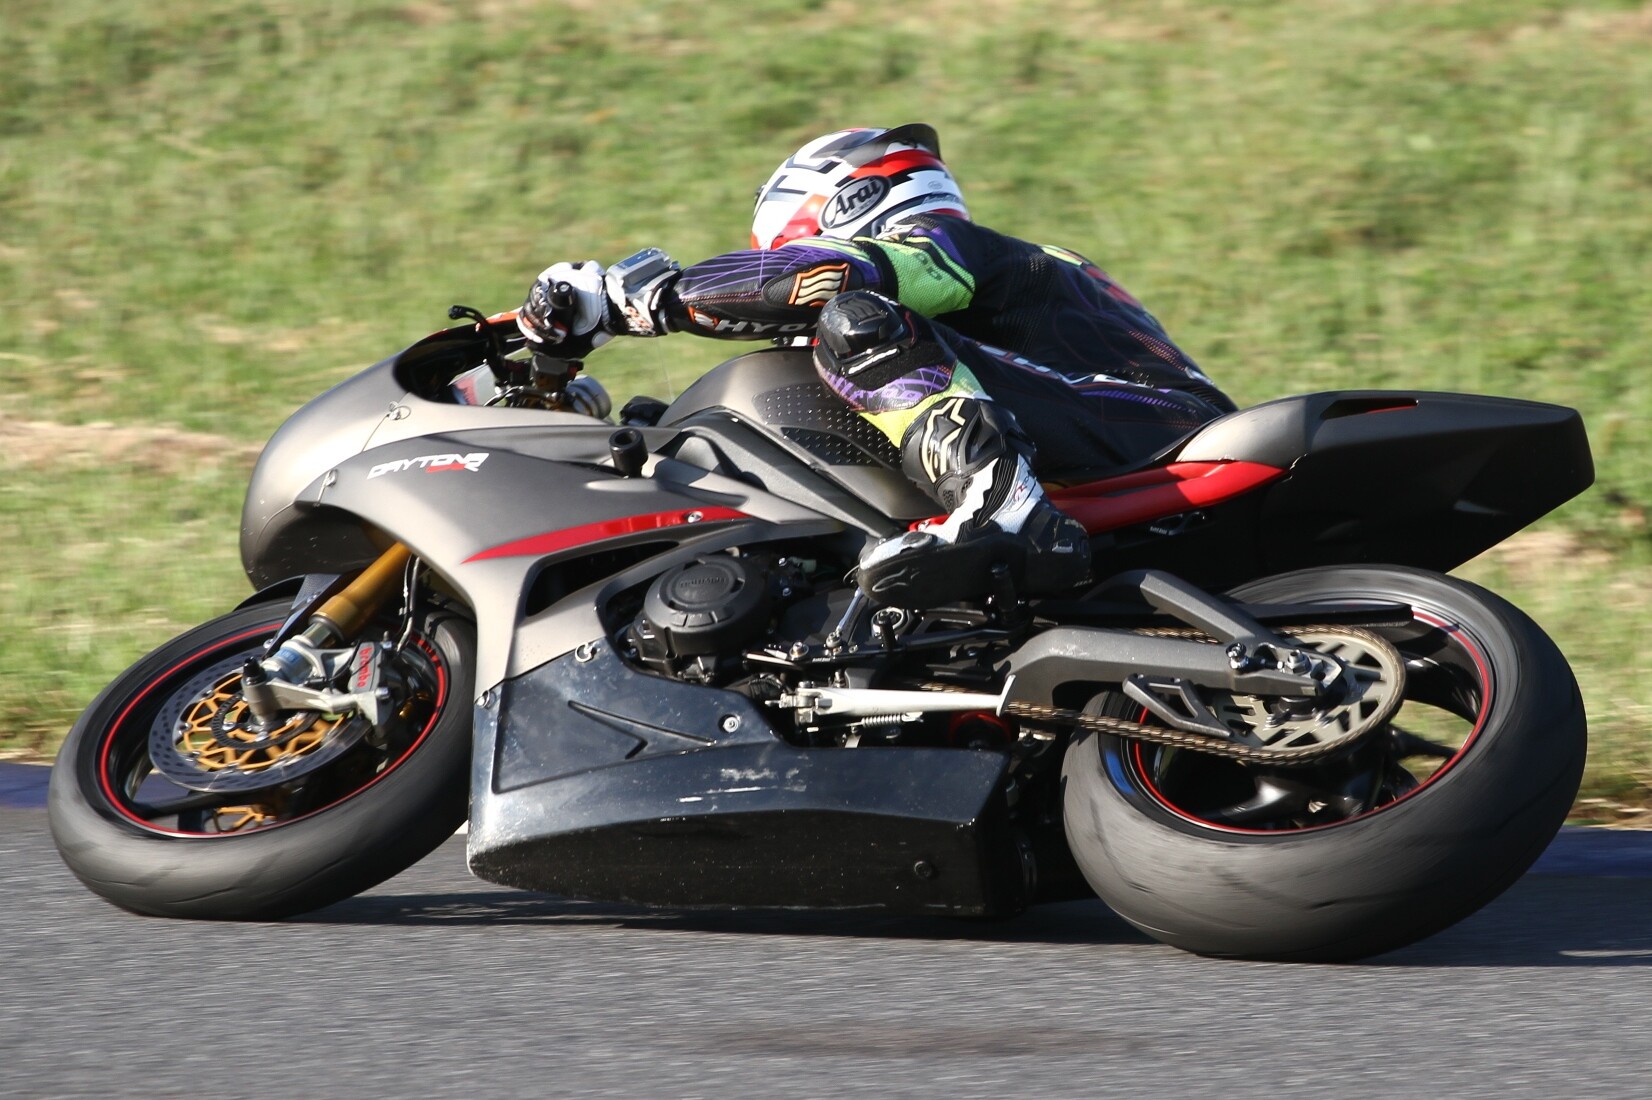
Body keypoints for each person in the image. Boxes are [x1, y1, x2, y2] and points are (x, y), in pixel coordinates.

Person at [516, 123, 1233, 606]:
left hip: (1154, 433)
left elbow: (827, 278)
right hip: (1118, 429)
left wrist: (643, 299)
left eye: (777, 246)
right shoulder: (996, 286)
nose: (775, 260)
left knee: (854, 318)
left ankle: (1001, 506)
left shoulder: (943, 245)